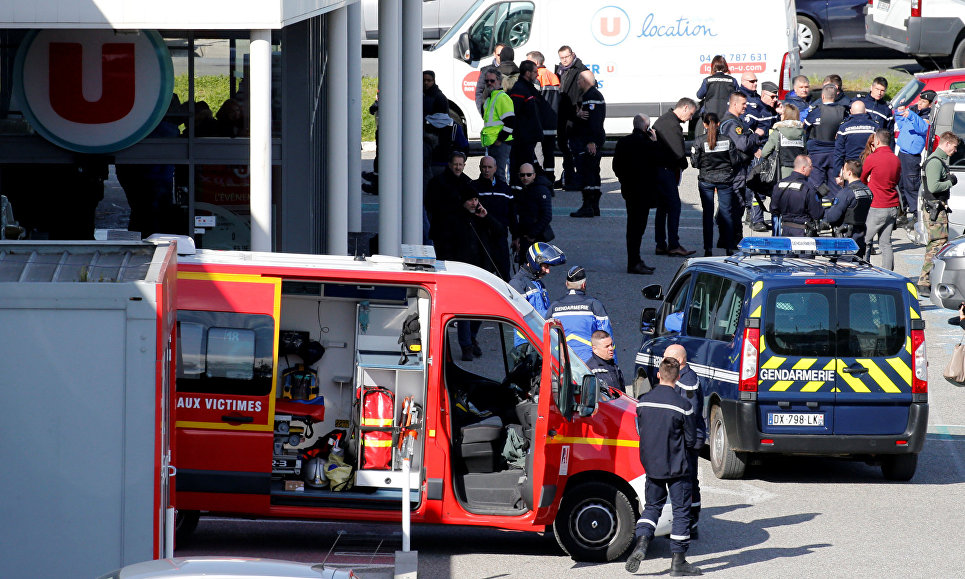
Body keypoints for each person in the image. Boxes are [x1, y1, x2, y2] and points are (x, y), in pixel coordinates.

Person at [625, 356, 700, 577]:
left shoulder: (643, 402)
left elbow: (642, 429)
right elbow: (690, 439)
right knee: (681, 512)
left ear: (658, 374)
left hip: (652, 466)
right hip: (677, 467)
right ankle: (678, 562)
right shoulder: (683, 406)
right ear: (677, 378)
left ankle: (642, 543)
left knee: (651, 508)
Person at [664, 344, 705, 541]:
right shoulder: (682, 377)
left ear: (679, 360)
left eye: (666, 358)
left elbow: (689, 413)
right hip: (685, 438)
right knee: (687, 481)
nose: (663, 361)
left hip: (688, 440)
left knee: (687, 482)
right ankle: (688, 521)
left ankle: (690, 523)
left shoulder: (687, 381)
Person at [653, 98, 699, 256]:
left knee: (662, 208)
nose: (690, 118)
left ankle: (660, 244)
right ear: (685, 108)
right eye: (691, 114)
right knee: (674, 207)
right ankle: (674, 245)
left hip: (659, 170)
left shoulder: (664, 120)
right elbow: (678, 153)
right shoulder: (672, 125)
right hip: (666, 171)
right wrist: (684, 164)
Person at [918, 131, 961, 296]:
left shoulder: (939, 161)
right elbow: (934, 186)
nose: (955, 151)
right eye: (954, 147)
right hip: (935, 208)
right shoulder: (935, 162)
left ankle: (929, 279)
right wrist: (950, 181)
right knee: (936, 244)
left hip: (938, 207)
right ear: (947, 143)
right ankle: (924, 281)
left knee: (938, 243)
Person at [614, 114, 659, 273]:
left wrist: (624, 180)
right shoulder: (647, 143)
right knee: (638, 228)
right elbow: (657, 161)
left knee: (632, 227)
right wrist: (655, 143)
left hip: (629, 190)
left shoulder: (623, 142)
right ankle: (634, 262)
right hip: (644, 192)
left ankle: (635, 260)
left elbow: (616, 166)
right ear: (646, 127)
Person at [691, 113, 738, 257]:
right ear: (718, 124)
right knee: (726, 213)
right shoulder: (727, 140)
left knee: (707, 214)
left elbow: (694, 163)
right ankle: (729, 247)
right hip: (725, 180)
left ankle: (708, 249)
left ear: (704, 125)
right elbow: (735, 161)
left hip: (706, 180)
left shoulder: (699, 141)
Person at [547, 265, 616, 363]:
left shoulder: (554, 307)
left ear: (566, 284)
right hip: (589, 363)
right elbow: (606, 337)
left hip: (560, 363)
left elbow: (546, 335)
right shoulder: (594, 305)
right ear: (584, 285)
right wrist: (612, 364)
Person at [720, 91, 766, 235]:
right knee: (736, 205)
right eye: (743, 104)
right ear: (734, 104)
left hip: (737, 169)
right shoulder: (731, 124)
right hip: (735, 170)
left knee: (733, 205)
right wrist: (755, 135)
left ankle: (728, 236)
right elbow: (742, 144)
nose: (746, 106)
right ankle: (732, 238)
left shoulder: (735, 121)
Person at [860, 129, 903, 270]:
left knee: (865, 240)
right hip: (892, 205)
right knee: (885, 243)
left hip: (877, 205)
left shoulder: (873, 158)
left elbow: (862, 179)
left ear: (877, 141)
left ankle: (863, 270)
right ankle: (888, 273)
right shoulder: (896, 159)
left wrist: (870, 182)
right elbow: (896, 180)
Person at [424, 151, 477, 258]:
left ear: (464, 165)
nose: (458, 167)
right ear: (449, 165)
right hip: (443, 232)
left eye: (460, 165)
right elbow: (431, 205)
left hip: (462, 233)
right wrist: (461, 205)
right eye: (455, 164)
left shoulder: (467, 182)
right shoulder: (437, 182)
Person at [894, 92, 935, 230]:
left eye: (924, 102)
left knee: (911, 186)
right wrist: (899, 112)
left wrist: (911, 115)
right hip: (902, 152)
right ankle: (902, 213)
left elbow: (923, 128)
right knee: (900, 184)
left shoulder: (927, 116)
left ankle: (917, 215)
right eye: (920, 100)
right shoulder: (915, 112)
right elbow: (902, 126)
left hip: (912, 156)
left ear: (930, 105)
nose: (920, 103)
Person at [568, 71, 606, 218]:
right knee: (593, 173)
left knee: (587, 173)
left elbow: (594, 121)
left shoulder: (592, 97)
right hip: (593, 140)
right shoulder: (591, 96)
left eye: (579, 80)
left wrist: (591, 141)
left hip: (589, 142)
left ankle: (588, 206)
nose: (578, 82)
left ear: (585, 81)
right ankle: (594, 206)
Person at [473, 155, 517, 280]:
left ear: (495, 168)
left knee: (504, 276)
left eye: (489, 167)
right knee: (483, 277)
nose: (486, 170)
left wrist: (516, 237)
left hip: (500, 238)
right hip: (482, 239)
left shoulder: (504, 188)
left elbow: (512, 215)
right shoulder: (474, 187)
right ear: (480, 168)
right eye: (484, 167)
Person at [554, 45, 589, 190]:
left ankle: (575, 179)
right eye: (561, 58)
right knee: (564, 147)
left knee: (575, 149)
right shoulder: (559, 70)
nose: (564, 60)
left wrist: (580, 109)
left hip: (575, 116)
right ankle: (567, 176)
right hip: (562, 115)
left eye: (566, 57)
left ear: (572, 54)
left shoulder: (581, 70)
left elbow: (587, 90)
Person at [804, 85, 849, 193]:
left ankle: (818, 202)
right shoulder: (843, 111)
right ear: (835, 96)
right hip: (836, 153)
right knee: (835, 186)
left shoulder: (816, 111)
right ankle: (834, 202)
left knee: (816, 185)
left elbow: (805, 130)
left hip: (817, 153)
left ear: (822, 96)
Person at [824, 160, 873, 256]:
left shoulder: (846, 193)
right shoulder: (867, 190)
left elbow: (832, 217)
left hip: (845, 240)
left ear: (849, 173)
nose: (842, 172)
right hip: (860, 237)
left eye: (844, 170)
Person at [526, 50, 561, 183]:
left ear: (535, 62)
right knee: (549, 153)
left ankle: (540, 180)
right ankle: (550, 179)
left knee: (538, 154)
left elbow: (533, 102)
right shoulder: (553, 76)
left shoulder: (537, 77)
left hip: (540, 123)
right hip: (552, 123)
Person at [509, 241, 566, 321]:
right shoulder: (517, 283)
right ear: (536, 263)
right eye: (546, 266)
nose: (548, 271)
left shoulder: (538, 283)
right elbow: (518, 316)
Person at [771, 155, 826, 236]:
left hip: (784, 231)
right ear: (803, 168)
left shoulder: (779, 185)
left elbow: (773, 208)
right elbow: (817, 214)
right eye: (810, 166)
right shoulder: (808, 188)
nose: (812, 169)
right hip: (803, 233)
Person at [508, 60, 543, 185]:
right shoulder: (520, 89)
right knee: (521, 165)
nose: (537, 75)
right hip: (522, 137)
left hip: (529, 136)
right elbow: (515, 113)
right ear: (527, 73)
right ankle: (518, 188)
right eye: (535, 72)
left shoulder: (528, 88)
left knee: (528, 164)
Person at [513, 163, 554, 261]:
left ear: (534, 175)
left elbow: (547, 215)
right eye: (522, 175)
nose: (525, 177)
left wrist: (532, 235)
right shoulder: (523, 190)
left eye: (528, 175)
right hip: (525, 236)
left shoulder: (541, 190)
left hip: (536, 237)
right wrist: (517, 237)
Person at [480, 69, 515, 183]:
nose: (489, 83)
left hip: (500, 143)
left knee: (498, 174)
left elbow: (510, 121)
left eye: (492, 81)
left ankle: (502, 193)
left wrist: (500, 139)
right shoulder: (489, 99)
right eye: (487, 81)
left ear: (499, 81)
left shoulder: (501, 97)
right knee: (492, 174)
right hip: (492, 142)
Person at [761, 102, 806, 180]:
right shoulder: (802, 134)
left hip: (781, 172)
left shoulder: (777, 132)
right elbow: (805, 152)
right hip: (799, 172)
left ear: (786, 116)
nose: (780, 116)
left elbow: (764, 153)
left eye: (782, 114)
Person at [833, 101, 878, 178]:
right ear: (865, 111)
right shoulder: (875, 126)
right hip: (869, 167)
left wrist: (837, 173)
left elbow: (839, 152)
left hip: (851, 168)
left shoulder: (844, 127)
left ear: (851, 111)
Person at [694, 55, 738, 133]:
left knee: (710, 136)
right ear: (725, 66)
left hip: (710, 117)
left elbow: (699, 95)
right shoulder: (732, 81)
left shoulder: (707, 80)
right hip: (727, 117)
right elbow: (738, 96)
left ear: (713, 66)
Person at [475, 43, 507, 115]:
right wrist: (482, 112)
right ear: (494, 54)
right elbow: (479, 92)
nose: (501, 57)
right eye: (499, 55)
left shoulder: (512, 69)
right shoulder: (486, 71)